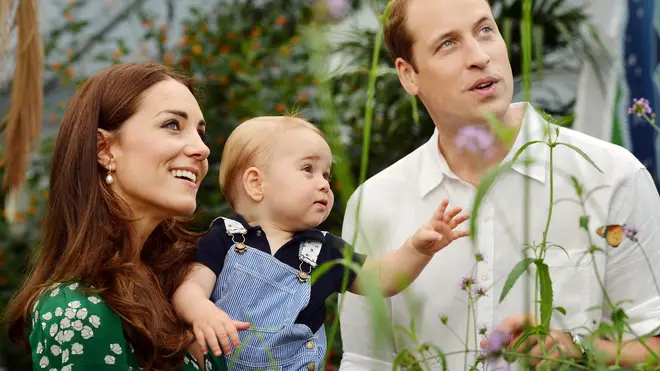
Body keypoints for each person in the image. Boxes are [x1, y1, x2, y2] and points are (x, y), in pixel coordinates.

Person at [337, 0, 660, 370]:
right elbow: (366, 361)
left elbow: (653, 348)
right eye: (448, 43)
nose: (478, 56)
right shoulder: (375, 202)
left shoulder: (612, 177)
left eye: (484, 31)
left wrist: (582, 353)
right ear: (409, 75)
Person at [171, 116, 471, 370]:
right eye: (308, 170)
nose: (324, 183)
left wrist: (417, 249)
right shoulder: (226, 236)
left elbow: (382, 280)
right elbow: (190, 288)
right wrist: (203, 313)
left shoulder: (325, 250)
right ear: (256, 183)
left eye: (326, 174)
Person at [4, 63, 225, 370]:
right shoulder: (76, 310)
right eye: (172, 125)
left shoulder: (188, 286)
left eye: (201, 133)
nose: (202, 149)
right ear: (104, 149)